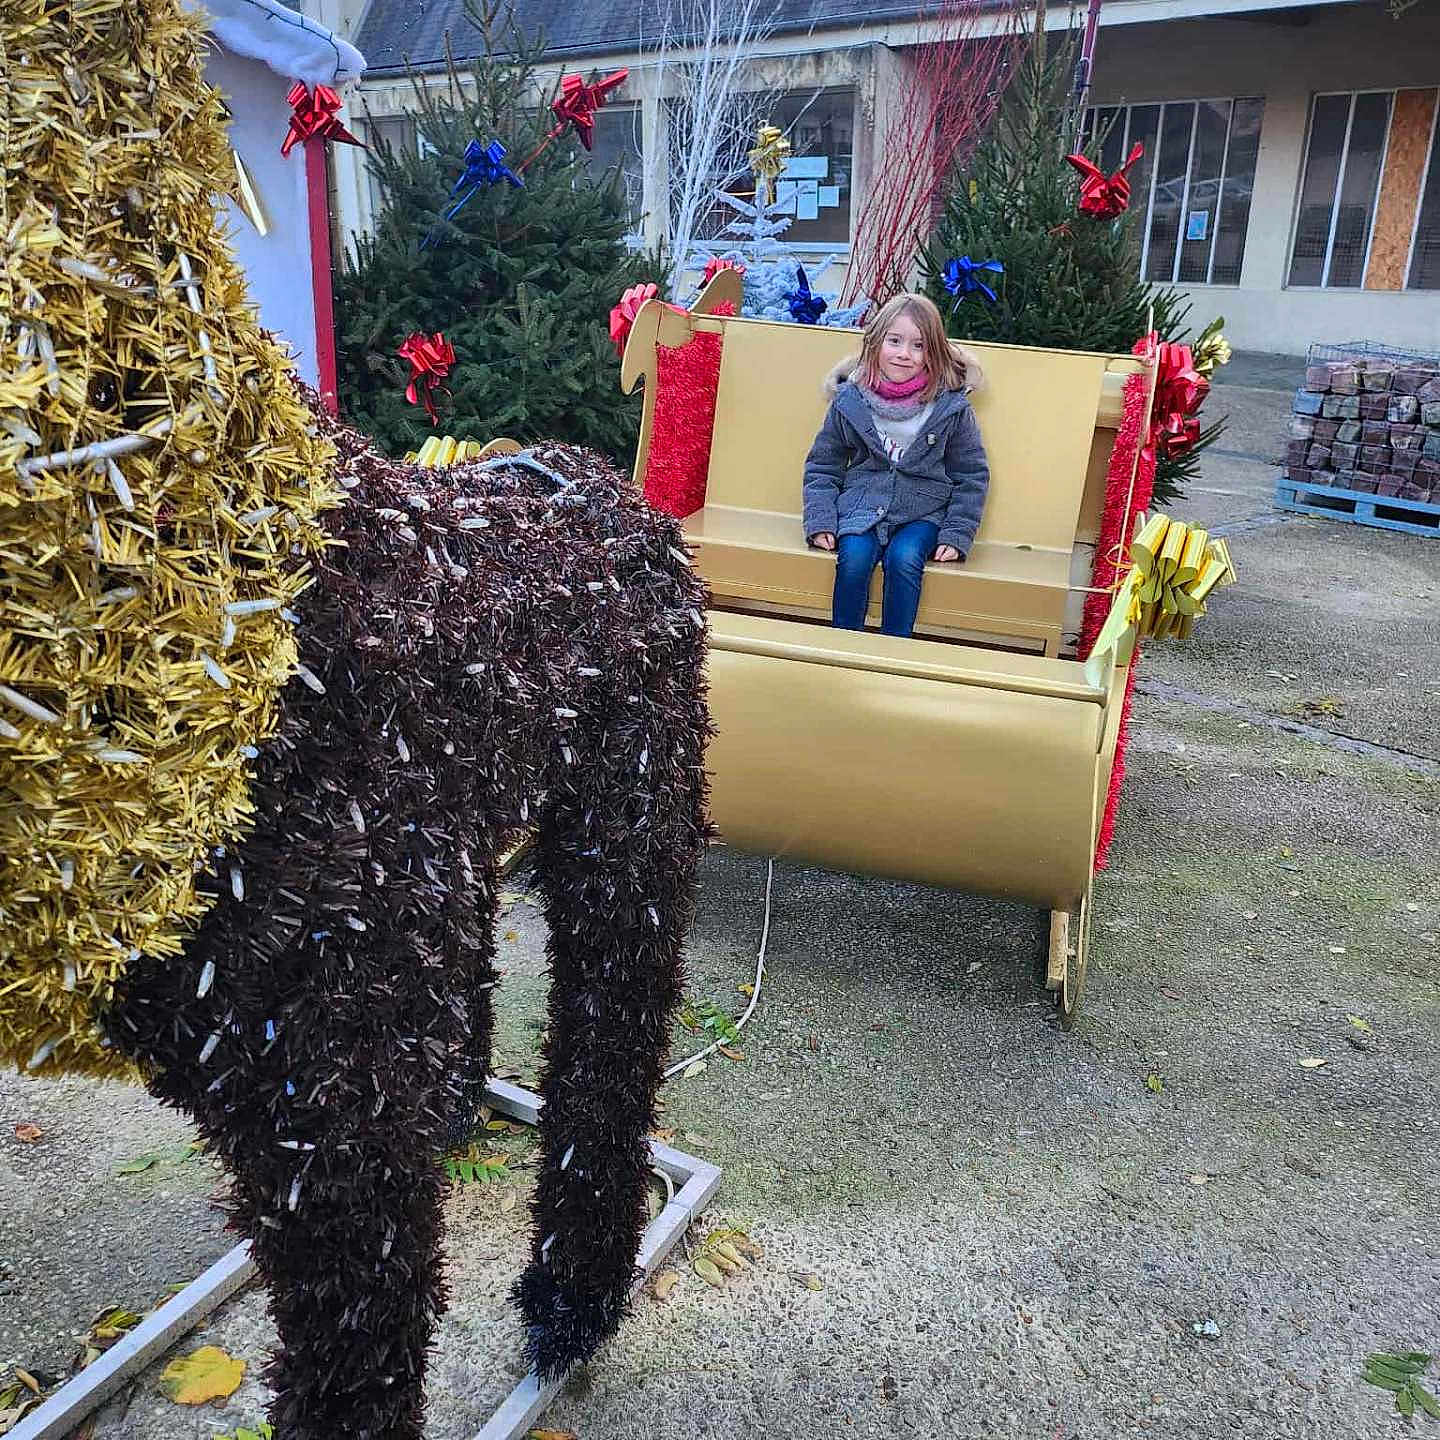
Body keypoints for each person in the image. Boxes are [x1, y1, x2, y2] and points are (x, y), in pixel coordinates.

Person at [801, 293, 990, 638]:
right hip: (861, 508)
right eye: (895, 341)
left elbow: (971, 475)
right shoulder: (850, 401)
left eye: (919, 346)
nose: (904, 354)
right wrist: (821, 520)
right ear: (875, 344)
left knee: (904, 559)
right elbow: (823, 466)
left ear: (934, 353)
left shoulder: (950, 407)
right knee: (854, 560)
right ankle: (843, 648)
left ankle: (894, 650)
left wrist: (956, 534)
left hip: (923, 513)